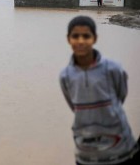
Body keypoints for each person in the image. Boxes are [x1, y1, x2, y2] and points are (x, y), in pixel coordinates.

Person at [59, 16, 139, 165]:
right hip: (85, 150)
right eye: (75, 36)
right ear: (68, 39)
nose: (81, 41)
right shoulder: (65, 75)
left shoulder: (113, 68)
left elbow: (121, 95)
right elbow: (74, 105)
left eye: (86, 36)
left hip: (120, 147)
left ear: (95, 38)